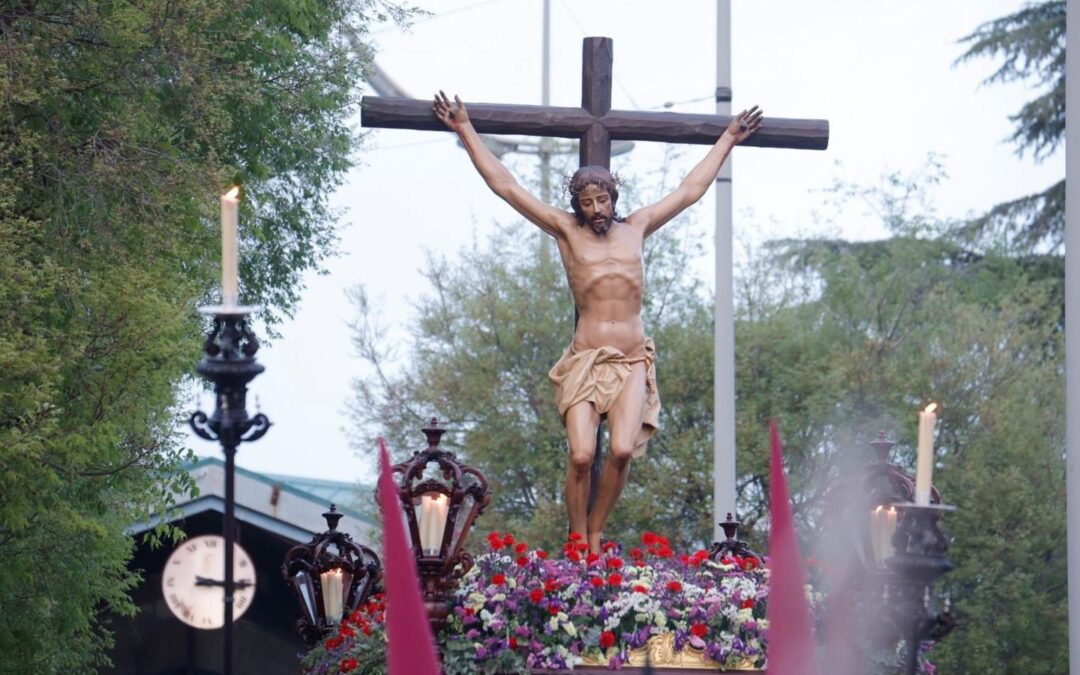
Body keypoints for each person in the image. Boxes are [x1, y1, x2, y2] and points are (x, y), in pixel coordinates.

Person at [433, 91, 763, 552]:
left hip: (630, 360)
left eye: (602, 199)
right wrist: (465, 128)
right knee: (582, 454)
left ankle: (596, 529)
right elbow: (507, 186)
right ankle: (576, 534)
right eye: (587, 202)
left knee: (623, 451)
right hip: (586, 359)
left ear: (613, 198)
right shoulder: (566, 231)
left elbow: (689, 190)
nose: (596, 210)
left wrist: (728, 137)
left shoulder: (637, 227)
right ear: (578, 205)